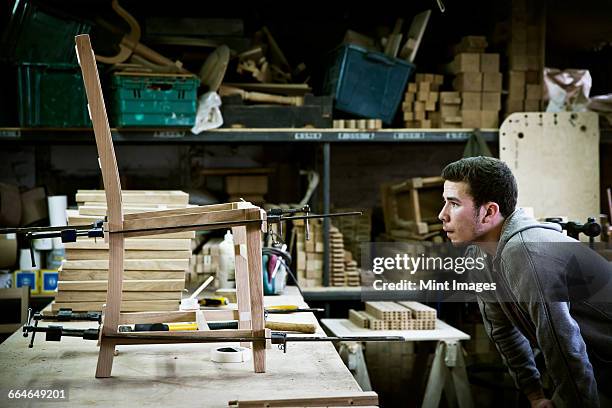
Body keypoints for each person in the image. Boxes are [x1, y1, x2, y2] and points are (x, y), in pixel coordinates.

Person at [438, 156, 612, 408]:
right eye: (445, 203)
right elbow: (503, 331)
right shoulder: (479, 254)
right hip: (597, 367)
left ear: (489, 212)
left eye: (453, 204)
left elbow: (561, 340)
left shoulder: (525, 250)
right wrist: (535, 395)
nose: (442, 215)